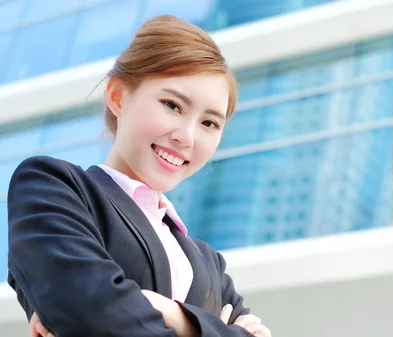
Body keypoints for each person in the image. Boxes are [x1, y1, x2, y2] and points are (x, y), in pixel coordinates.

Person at [7, 15, 271, 337]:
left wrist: (176, 314)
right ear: (118, 96)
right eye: (172, 105)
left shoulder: (209, 264)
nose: (186, 137)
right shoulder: (55, 189)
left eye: (209, 123)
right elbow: (91, 314)